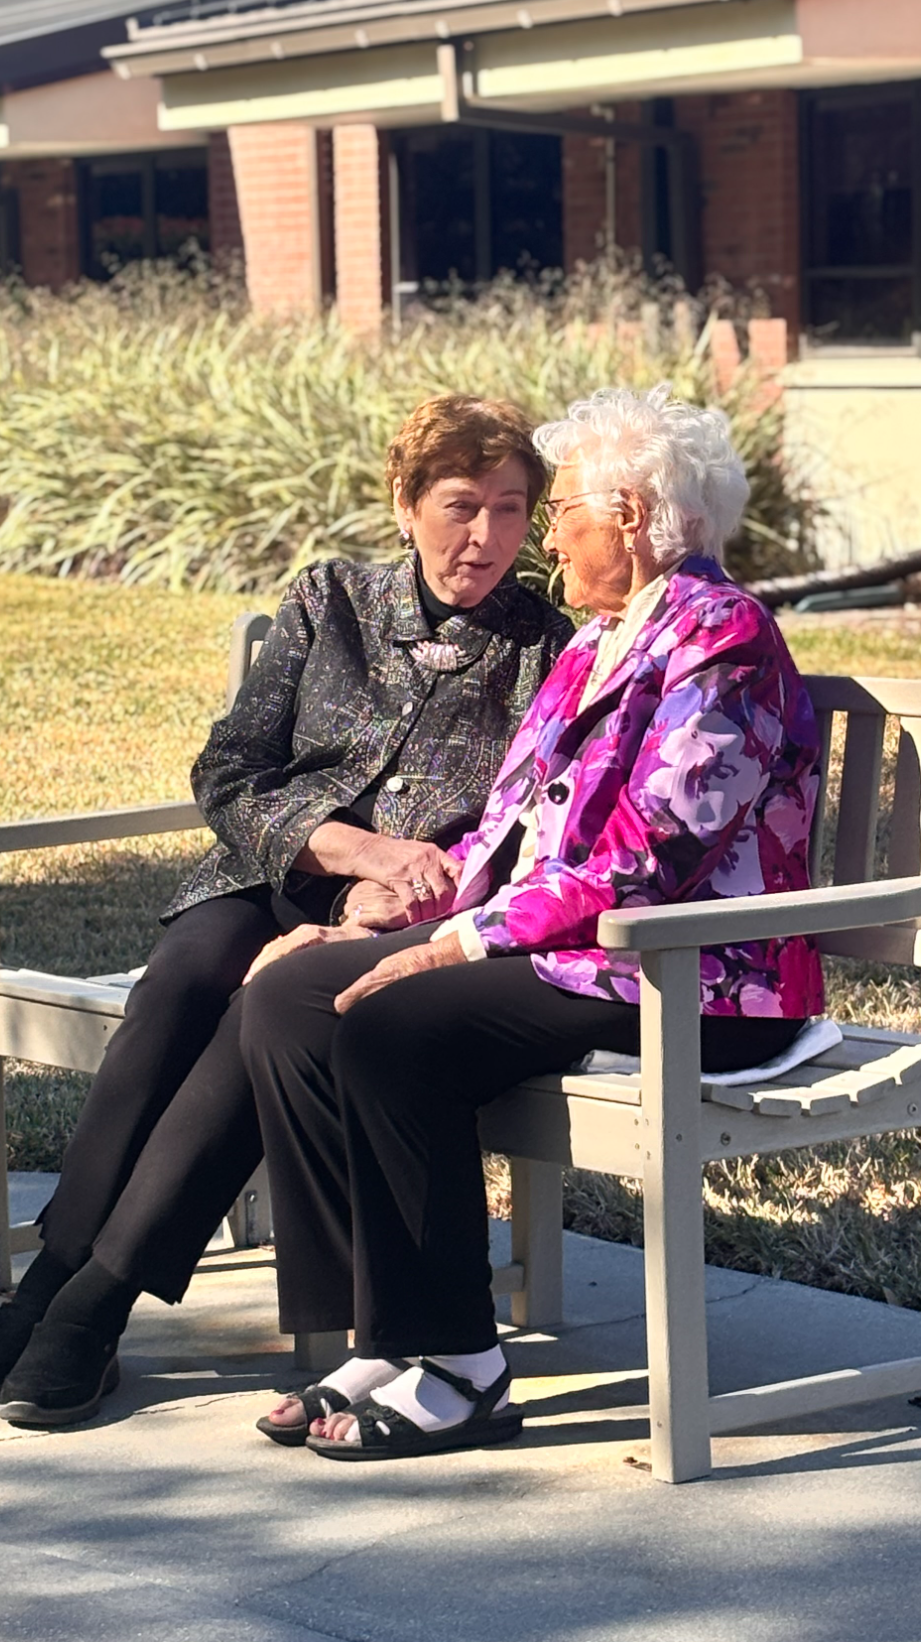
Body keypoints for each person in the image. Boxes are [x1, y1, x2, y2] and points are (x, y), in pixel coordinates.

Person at [0, 393, 572, 1419]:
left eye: (509, 511)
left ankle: (94, 1301)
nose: (484, 537)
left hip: (401, 917)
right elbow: (229, 770)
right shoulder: (330, 599)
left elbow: (523, 826)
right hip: (269, 875)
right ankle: (54, 1278)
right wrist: (353, 851)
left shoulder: (544, 646)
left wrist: (381, 901)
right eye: (460, 505)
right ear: (405, 501)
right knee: (184, 977)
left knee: (261, 1012)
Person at [241, 383, 826, 1460]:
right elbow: (510, 834)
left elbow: (653, 853)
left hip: (699, 979)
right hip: (578, 956)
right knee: (292, 995)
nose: (546, 538)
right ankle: (388, 1331)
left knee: (394, 1028)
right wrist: (390, 923)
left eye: (560, 511)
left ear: (630, 516)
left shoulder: (722, 637)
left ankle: (463, 1368)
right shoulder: (595, 643)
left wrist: (455, 945)